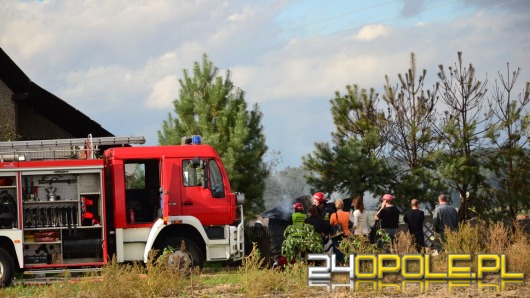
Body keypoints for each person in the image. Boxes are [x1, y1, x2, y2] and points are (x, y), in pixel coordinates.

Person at [329, 199, 350, 263]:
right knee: (345, 250)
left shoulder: (333, 215)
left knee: (337, 250)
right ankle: (345, 263)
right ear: (343, 205)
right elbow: (349, 223)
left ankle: (339, 264)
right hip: (346, 234)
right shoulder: (347, 214)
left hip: (336, 235)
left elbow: (330, 225)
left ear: (336, 206)